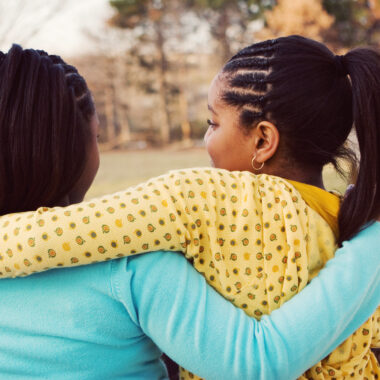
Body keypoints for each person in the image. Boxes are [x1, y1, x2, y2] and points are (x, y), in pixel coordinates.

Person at [0, 40, 378, 378]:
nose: (204, 138)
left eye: (212, 123)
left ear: (263, 139)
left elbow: (40, 239)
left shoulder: (196, 199)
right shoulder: (352, 224)